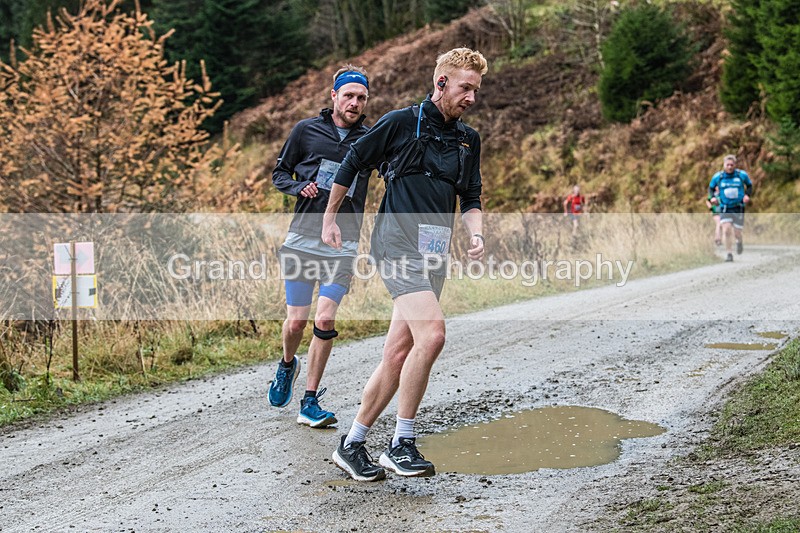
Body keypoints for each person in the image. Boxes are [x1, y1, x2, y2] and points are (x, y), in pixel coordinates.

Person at [322, 48, 487, 481]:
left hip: (434, 253)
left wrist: (476, 232)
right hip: (395, 246)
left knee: (398, 351)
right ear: (441, 83)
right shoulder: (401, 122)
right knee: (432, 335)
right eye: (465, 87)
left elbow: (470, 196)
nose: (471, 97)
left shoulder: (469, 140)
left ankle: (352, 443)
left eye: (476, 90)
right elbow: (353, 162)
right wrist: (330, 218)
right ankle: (402, 442)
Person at [267, 65, 372, 428]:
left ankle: (309, 401)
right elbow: (280, 173)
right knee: (296, 321)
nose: (355, 103)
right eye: (349, 96)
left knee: (325, 318)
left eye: (361, 98)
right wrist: (300, 187)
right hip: (303, 238)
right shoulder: (306, 130)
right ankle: (286, 365)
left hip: (344, 241)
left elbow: (395, 170)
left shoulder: (370, 139)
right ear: (334, 96)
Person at [708, 154, 753, 262]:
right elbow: (710, 188)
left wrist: (747, 195)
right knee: (726, 230)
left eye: (732, 165)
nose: (729, 167)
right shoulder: (718, 177)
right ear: (724, 165)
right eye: (727, 165)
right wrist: (712, 198)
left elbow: (749, 186)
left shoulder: (741, 175)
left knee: (737, 232)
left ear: (735, 165)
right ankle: (729, 253)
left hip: (738, 207)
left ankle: (739, 241)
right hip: (725, 207)